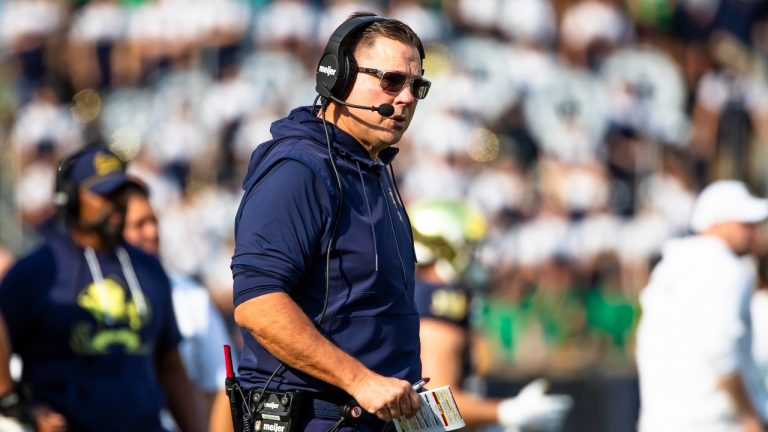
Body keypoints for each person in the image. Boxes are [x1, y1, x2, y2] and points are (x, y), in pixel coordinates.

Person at [230, 12, 431, 432]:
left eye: (417, 86)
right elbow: (257, 304)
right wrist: (360, 380)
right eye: (391, 80)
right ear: (337, 78)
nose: (407, 98)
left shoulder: (372, 167)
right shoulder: (298, 169)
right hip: (316, 420)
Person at [0, 146, 204, 432]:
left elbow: (171, 367)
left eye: (120, 194)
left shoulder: (149, 268)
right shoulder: (34, 273)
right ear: (69, 198)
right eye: (103, 194)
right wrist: (22, 407)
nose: (115, 205)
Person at [409, 199, 573, 432]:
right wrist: (506, 412)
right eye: (469, 247)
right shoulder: (437, 302)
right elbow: (432, 408)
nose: (477, 257)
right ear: (442, 247)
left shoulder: (429, 295)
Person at [636, 179, 768, 431]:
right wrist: (750, 417)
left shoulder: (669, 269)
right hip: (714, 424)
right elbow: (721, 352)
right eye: (744, 224)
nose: (754, 232)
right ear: (717, 223)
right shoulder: (727, 270)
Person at [122, 179, 234, 432]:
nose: (152, 232)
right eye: (139, 225)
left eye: (154, 221)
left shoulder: (191, 295)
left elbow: (221, 387)